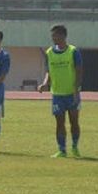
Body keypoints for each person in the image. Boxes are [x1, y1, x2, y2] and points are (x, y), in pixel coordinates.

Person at [38, 24, 83, 158]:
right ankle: (62, 150)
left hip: (71, 93)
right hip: (57, 94)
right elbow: (48, 71)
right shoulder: (49, 52)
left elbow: (79, 71)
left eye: (56, 35)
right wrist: (45, 83)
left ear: (63, 36)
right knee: (59, 122)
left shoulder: (73, 51)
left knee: (74, 121)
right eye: (52, 36)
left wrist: (76, 90)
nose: (53, 38)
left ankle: (75, 147)